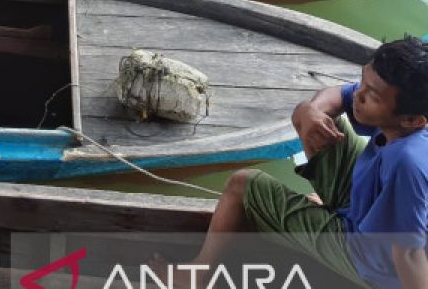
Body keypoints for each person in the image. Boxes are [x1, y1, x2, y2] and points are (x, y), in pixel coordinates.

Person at [160, 36, 428, 289]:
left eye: (373, 96)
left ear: (413, 119)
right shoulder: (408, 124)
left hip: (371, 259)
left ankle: (195, 276)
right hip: (368, 208)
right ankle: (336, 206)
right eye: (363, 81)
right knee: (317, 120)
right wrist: (310, 111)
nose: (359, 95)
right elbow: (338, 96)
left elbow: (409, 254)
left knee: (243, 185)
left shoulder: (408, 163)